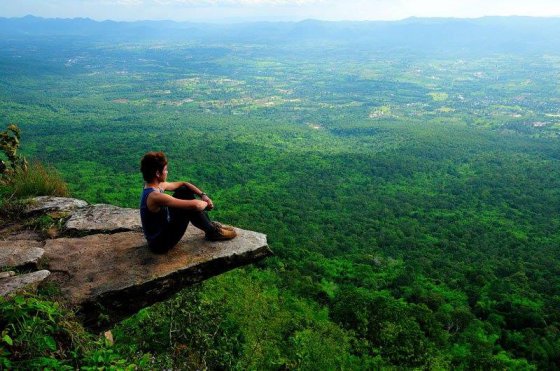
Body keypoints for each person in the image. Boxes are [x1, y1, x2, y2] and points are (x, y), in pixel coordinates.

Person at [140, 151, 236, 253]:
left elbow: (184, 184)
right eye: (165, 170)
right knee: (188, 207)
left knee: (183, 190)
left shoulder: (154, 186)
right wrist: (206, 204)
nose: (167, 172)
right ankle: (213, 232)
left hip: (161, 233)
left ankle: (210, 227)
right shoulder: (155, 196)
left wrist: (203, 195)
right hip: (160, 244)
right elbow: (195, 206)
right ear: (158, 173)